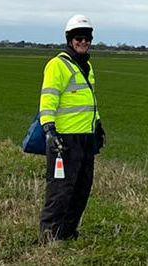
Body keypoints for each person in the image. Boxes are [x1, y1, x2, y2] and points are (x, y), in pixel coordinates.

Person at [38, 14, 105, 243]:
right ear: (69, 40)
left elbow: (89, 101)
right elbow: (48, 99)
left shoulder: (86, 66)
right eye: (78, 38)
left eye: (87, 38)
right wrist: (49, 129)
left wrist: (98, 124)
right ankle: (50, 236)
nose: (83, 42)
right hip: (64, 140)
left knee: (82, 188)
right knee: (60, 189)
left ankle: (67, 232)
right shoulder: (58, 65)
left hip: (85, 138)